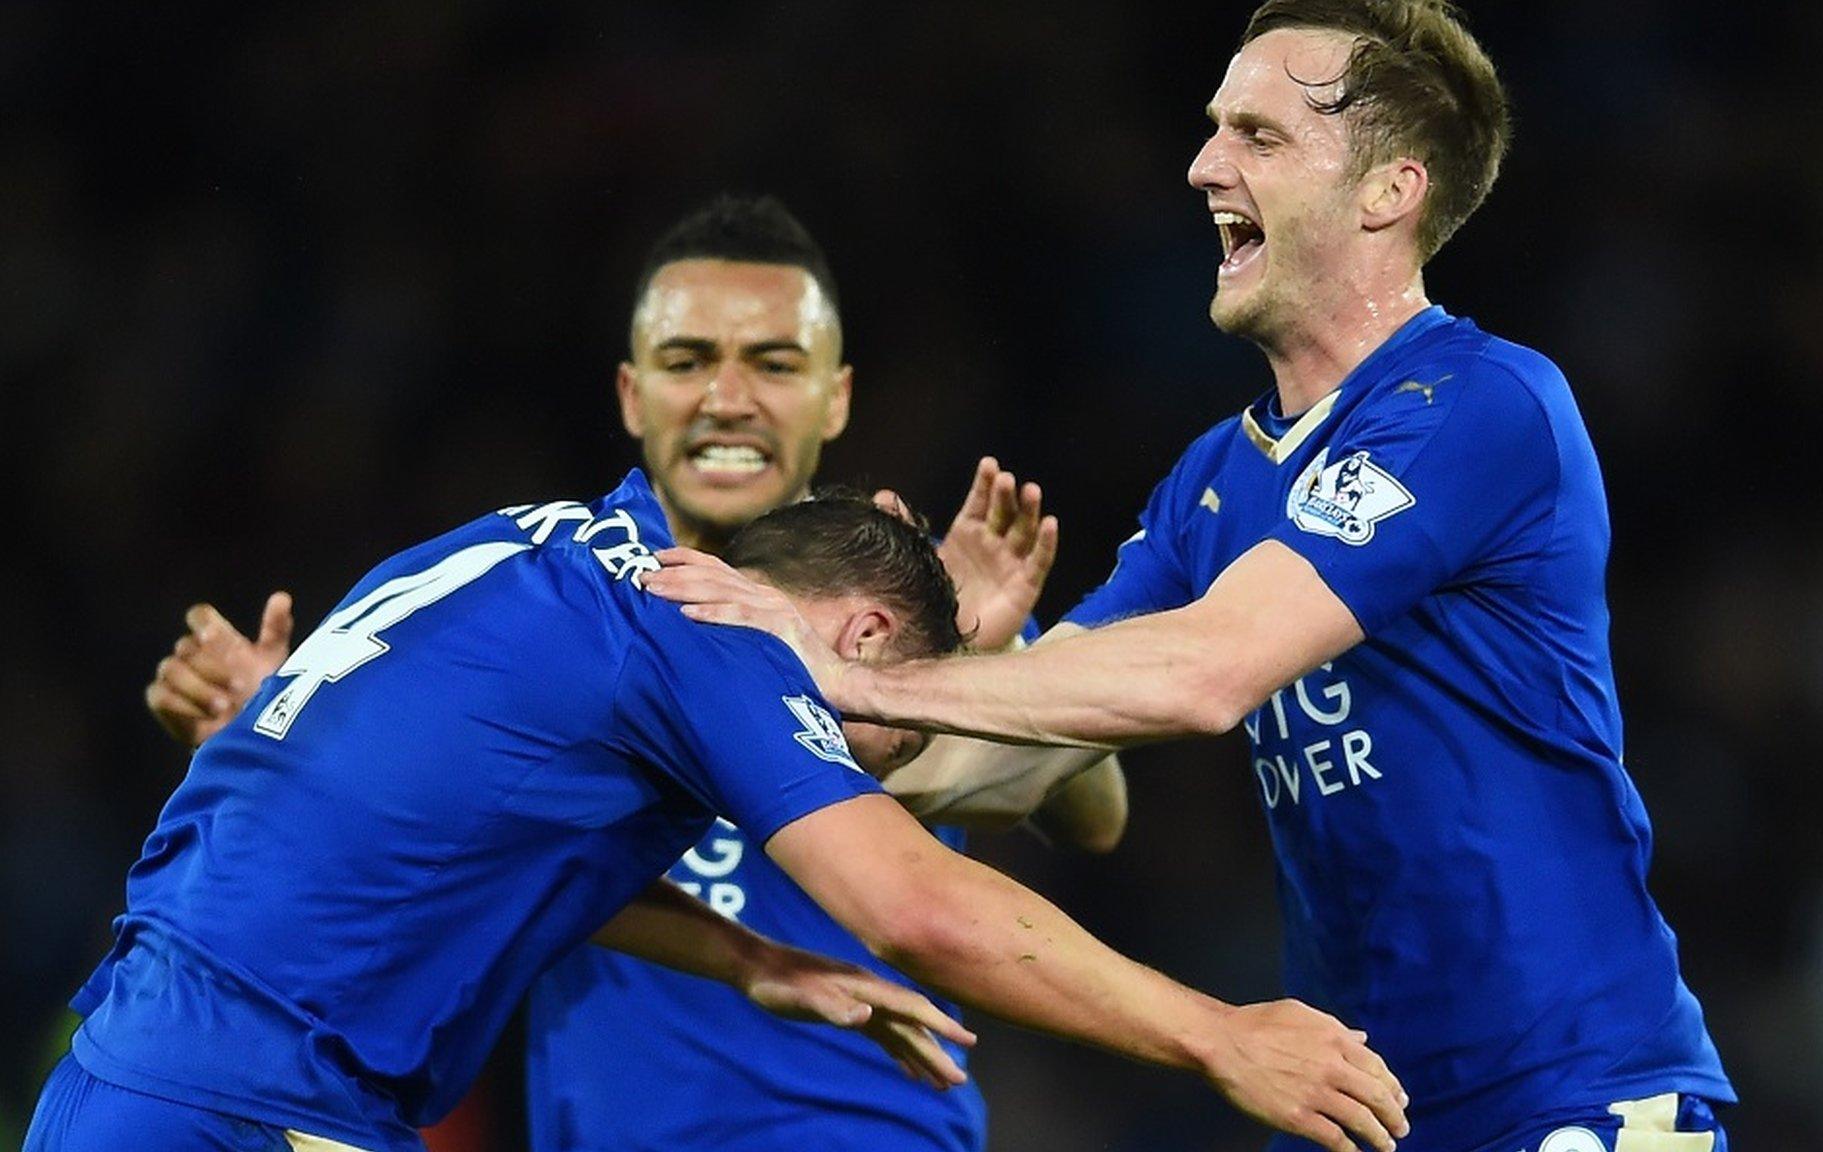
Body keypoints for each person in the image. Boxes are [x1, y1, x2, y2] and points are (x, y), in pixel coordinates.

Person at [649, 4, 1737, 1151]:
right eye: (1216, 129)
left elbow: (1205, 673)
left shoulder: (1481, 405)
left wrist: (859, 678)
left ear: (1387, 192)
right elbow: (1020, 762)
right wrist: (740, 745)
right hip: (1354, 1108)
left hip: (1573, 1096)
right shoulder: (1214, 480)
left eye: (1258, 137)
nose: (1202, 162)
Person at [138, 195, 1128, 1152]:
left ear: (835, 396)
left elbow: (1093, 812)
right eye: (687, 360)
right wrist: (282, 731)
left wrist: (978, 664)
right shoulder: (547, 613)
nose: (726, 398)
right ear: (630, 392)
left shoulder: (891, 607)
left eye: (773, 364)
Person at [29, 486, 1410, 1152]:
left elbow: (493, 848)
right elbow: (917, 906)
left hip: (127, 1071)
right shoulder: (717, 643)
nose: (856, 777)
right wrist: (1218, 1031)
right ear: (861, 631)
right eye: (881, 737)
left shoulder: (521, 550)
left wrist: (756, 957)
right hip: (246, 1104)